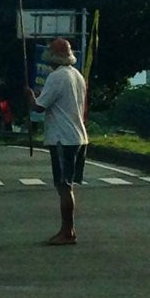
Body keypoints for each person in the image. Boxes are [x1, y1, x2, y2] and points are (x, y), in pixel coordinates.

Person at [24, 37, 88, 246]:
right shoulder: (77, 76)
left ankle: (67, 231)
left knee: (63, 186)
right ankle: (68, 229)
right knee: (68, 185)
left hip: (63, 138)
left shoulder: (56, 77)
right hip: (78, 136)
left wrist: (31, 97)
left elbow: (39, 107)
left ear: (53, 56)